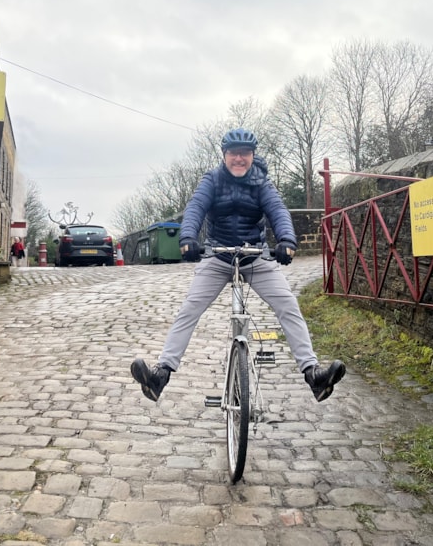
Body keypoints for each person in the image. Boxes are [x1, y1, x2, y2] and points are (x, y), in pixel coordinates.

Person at [131, 129, 346, 403]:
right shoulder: (212, 179)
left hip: (254, 255)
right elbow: (196, 207)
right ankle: (160, 374)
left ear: (253, 155)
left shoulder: (262, 183)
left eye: (244, 153)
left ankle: (313, 375)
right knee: (190, 308)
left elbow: (277, 210)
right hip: (218, 255)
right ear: (224, 155)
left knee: (288, 305)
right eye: (233, 153)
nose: (239, 158)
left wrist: (286, 240)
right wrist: (187, 238)